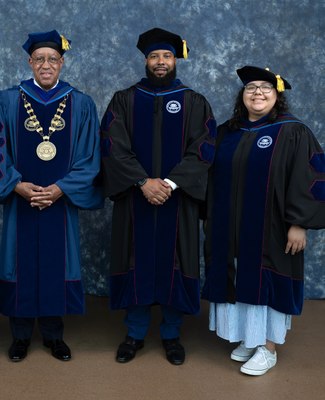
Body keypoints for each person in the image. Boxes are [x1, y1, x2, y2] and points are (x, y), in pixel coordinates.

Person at [202, 66, 325, 376]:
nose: (258, 93)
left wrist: (299, 223)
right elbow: (210, 178)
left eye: (265, 88)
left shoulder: (292, 131)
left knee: (267, 278)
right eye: (251, 88)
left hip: (273, 229)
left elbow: (306, 178)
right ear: (242, 96)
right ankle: (250, 339)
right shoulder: (227, 132)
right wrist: (209, 216)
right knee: (237, 277)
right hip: (229, 227)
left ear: (277, 96)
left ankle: (268, 349)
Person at [0, 30, 102, 362]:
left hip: (60, 204)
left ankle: (53, 335)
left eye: (52, 59)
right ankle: (19, 336)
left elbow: (91, 156)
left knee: (56, 263)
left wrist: (61, 188)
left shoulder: (81, 103)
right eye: (39, 59)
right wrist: (16, 185)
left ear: (61, 63)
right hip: (20, 200)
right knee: (18, 264)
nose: (45, 65)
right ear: (30, 63)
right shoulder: (6, 101)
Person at [100, 28, 216, 365]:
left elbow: (204, 148)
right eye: (154, 56)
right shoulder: (125, 99)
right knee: (136, 261)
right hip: (135, 199)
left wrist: (168, 183)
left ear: (175, 59)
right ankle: (134, 333)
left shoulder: (194, 101)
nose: (160, 62)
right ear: (145, 60)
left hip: (176, 201)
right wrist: (141, 182)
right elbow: (111, 143)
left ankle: (171, 334)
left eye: (166, 56)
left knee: (175, 262)